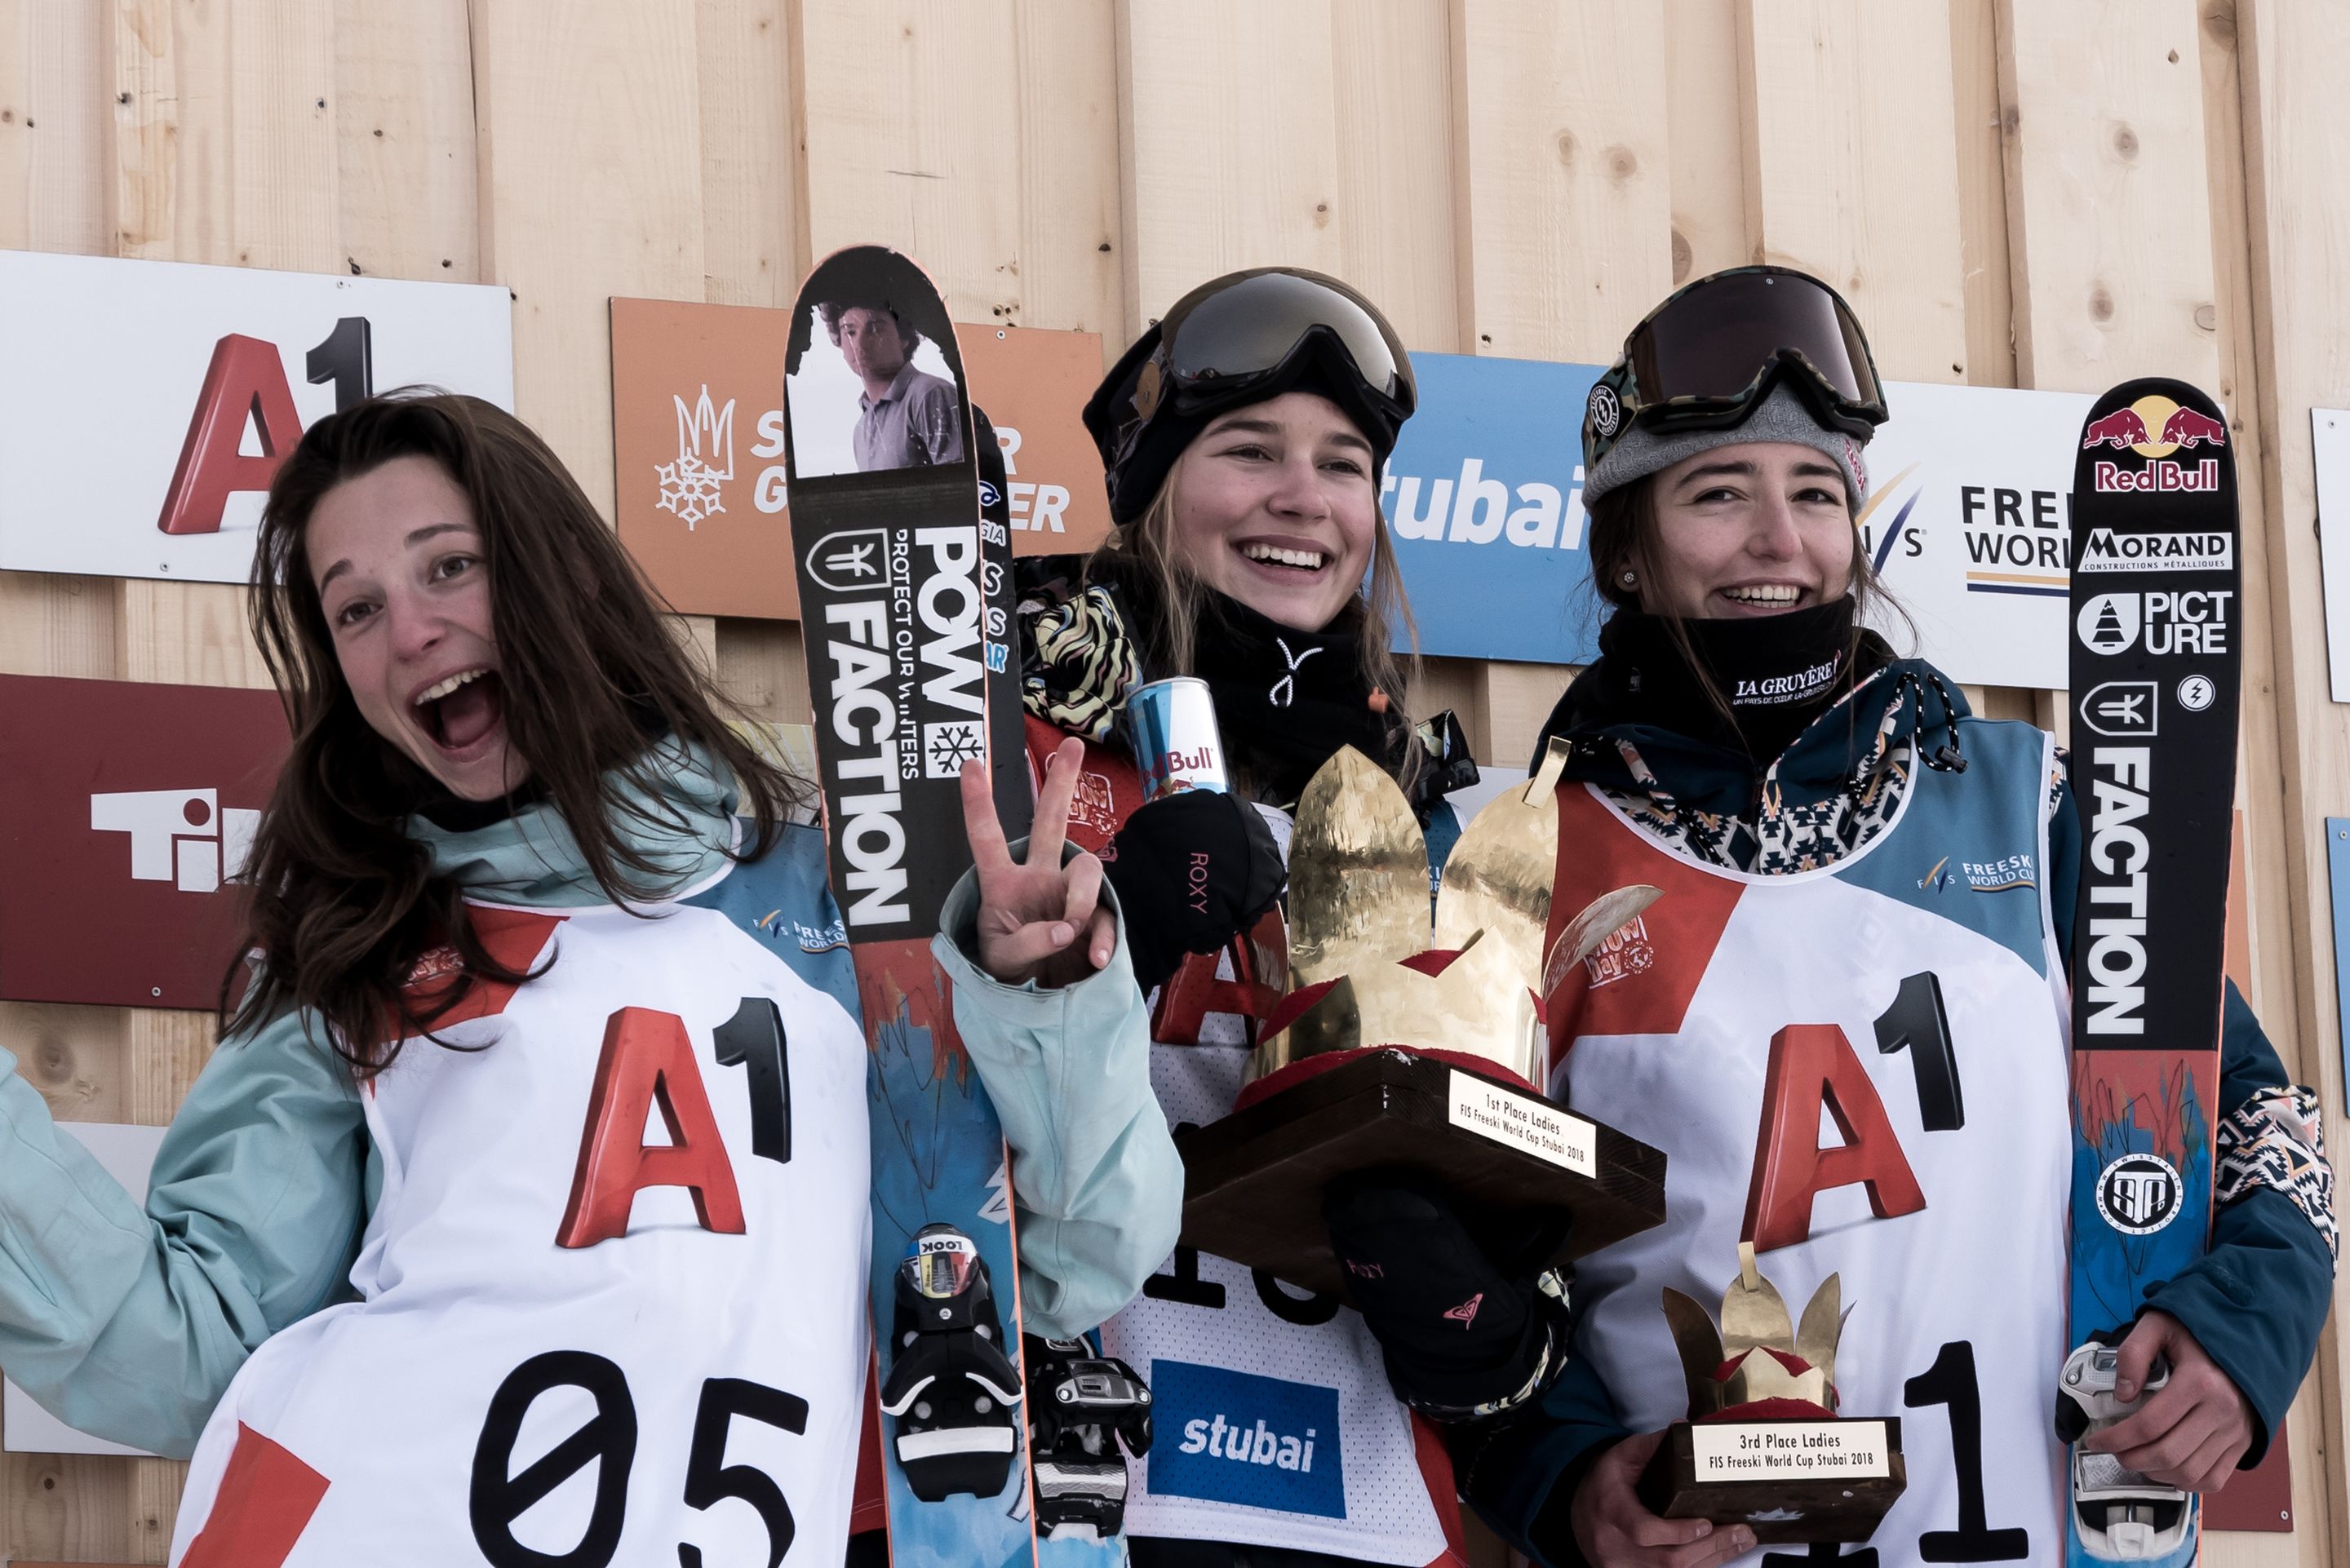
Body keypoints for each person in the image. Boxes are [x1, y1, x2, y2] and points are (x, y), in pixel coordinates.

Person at [0, 392, 1177, 1561]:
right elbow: (191, 1349)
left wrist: (1049, 1001)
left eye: (450, 567)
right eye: (354, 608)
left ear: (559, 569)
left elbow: (1066, 1268)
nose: (408, 631)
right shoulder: (352, 956)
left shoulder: (827, 898)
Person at [1449, 266, 2336, 1568]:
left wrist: (2243, 1331)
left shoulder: (2038, 807)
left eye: (1816, 493)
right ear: (1625, 550)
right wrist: (1566, 1471)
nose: (1779, 540)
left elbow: (2250, 1116)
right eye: (1717, 493)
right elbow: (1447, 1251)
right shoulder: (1512, 854)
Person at [1013, 266, 1554, 1568]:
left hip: (1363, 1516)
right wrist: (1108, 950)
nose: (1302, 497)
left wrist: (1494, 1331)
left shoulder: (1437, 814)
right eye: (1247, 450)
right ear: (1152, 494)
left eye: (1342, 462)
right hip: (1069, 1502)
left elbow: (1532, 1231)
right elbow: (890, 1131)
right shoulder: (1016, 752)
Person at [818, 298, 965, 470]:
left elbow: (959, 486)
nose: (859, 344)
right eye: (850, 332)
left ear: (904, 338)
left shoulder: (930, 394)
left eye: (874, 329)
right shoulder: (861, 429)